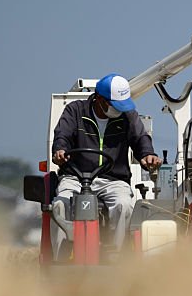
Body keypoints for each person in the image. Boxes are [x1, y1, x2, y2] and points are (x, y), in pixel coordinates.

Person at [50, 73, 161, 257]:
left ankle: (114, 256)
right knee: (60, 205)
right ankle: (59, 259)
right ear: (100, 99)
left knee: (124, 205)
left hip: (113, 179)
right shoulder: (75, 111)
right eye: (115, 105)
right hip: (75, 177)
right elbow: (62, 135)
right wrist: (60, 150)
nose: (119, 110)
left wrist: (148, 154)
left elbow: (141, 138)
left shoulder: (128, 116)